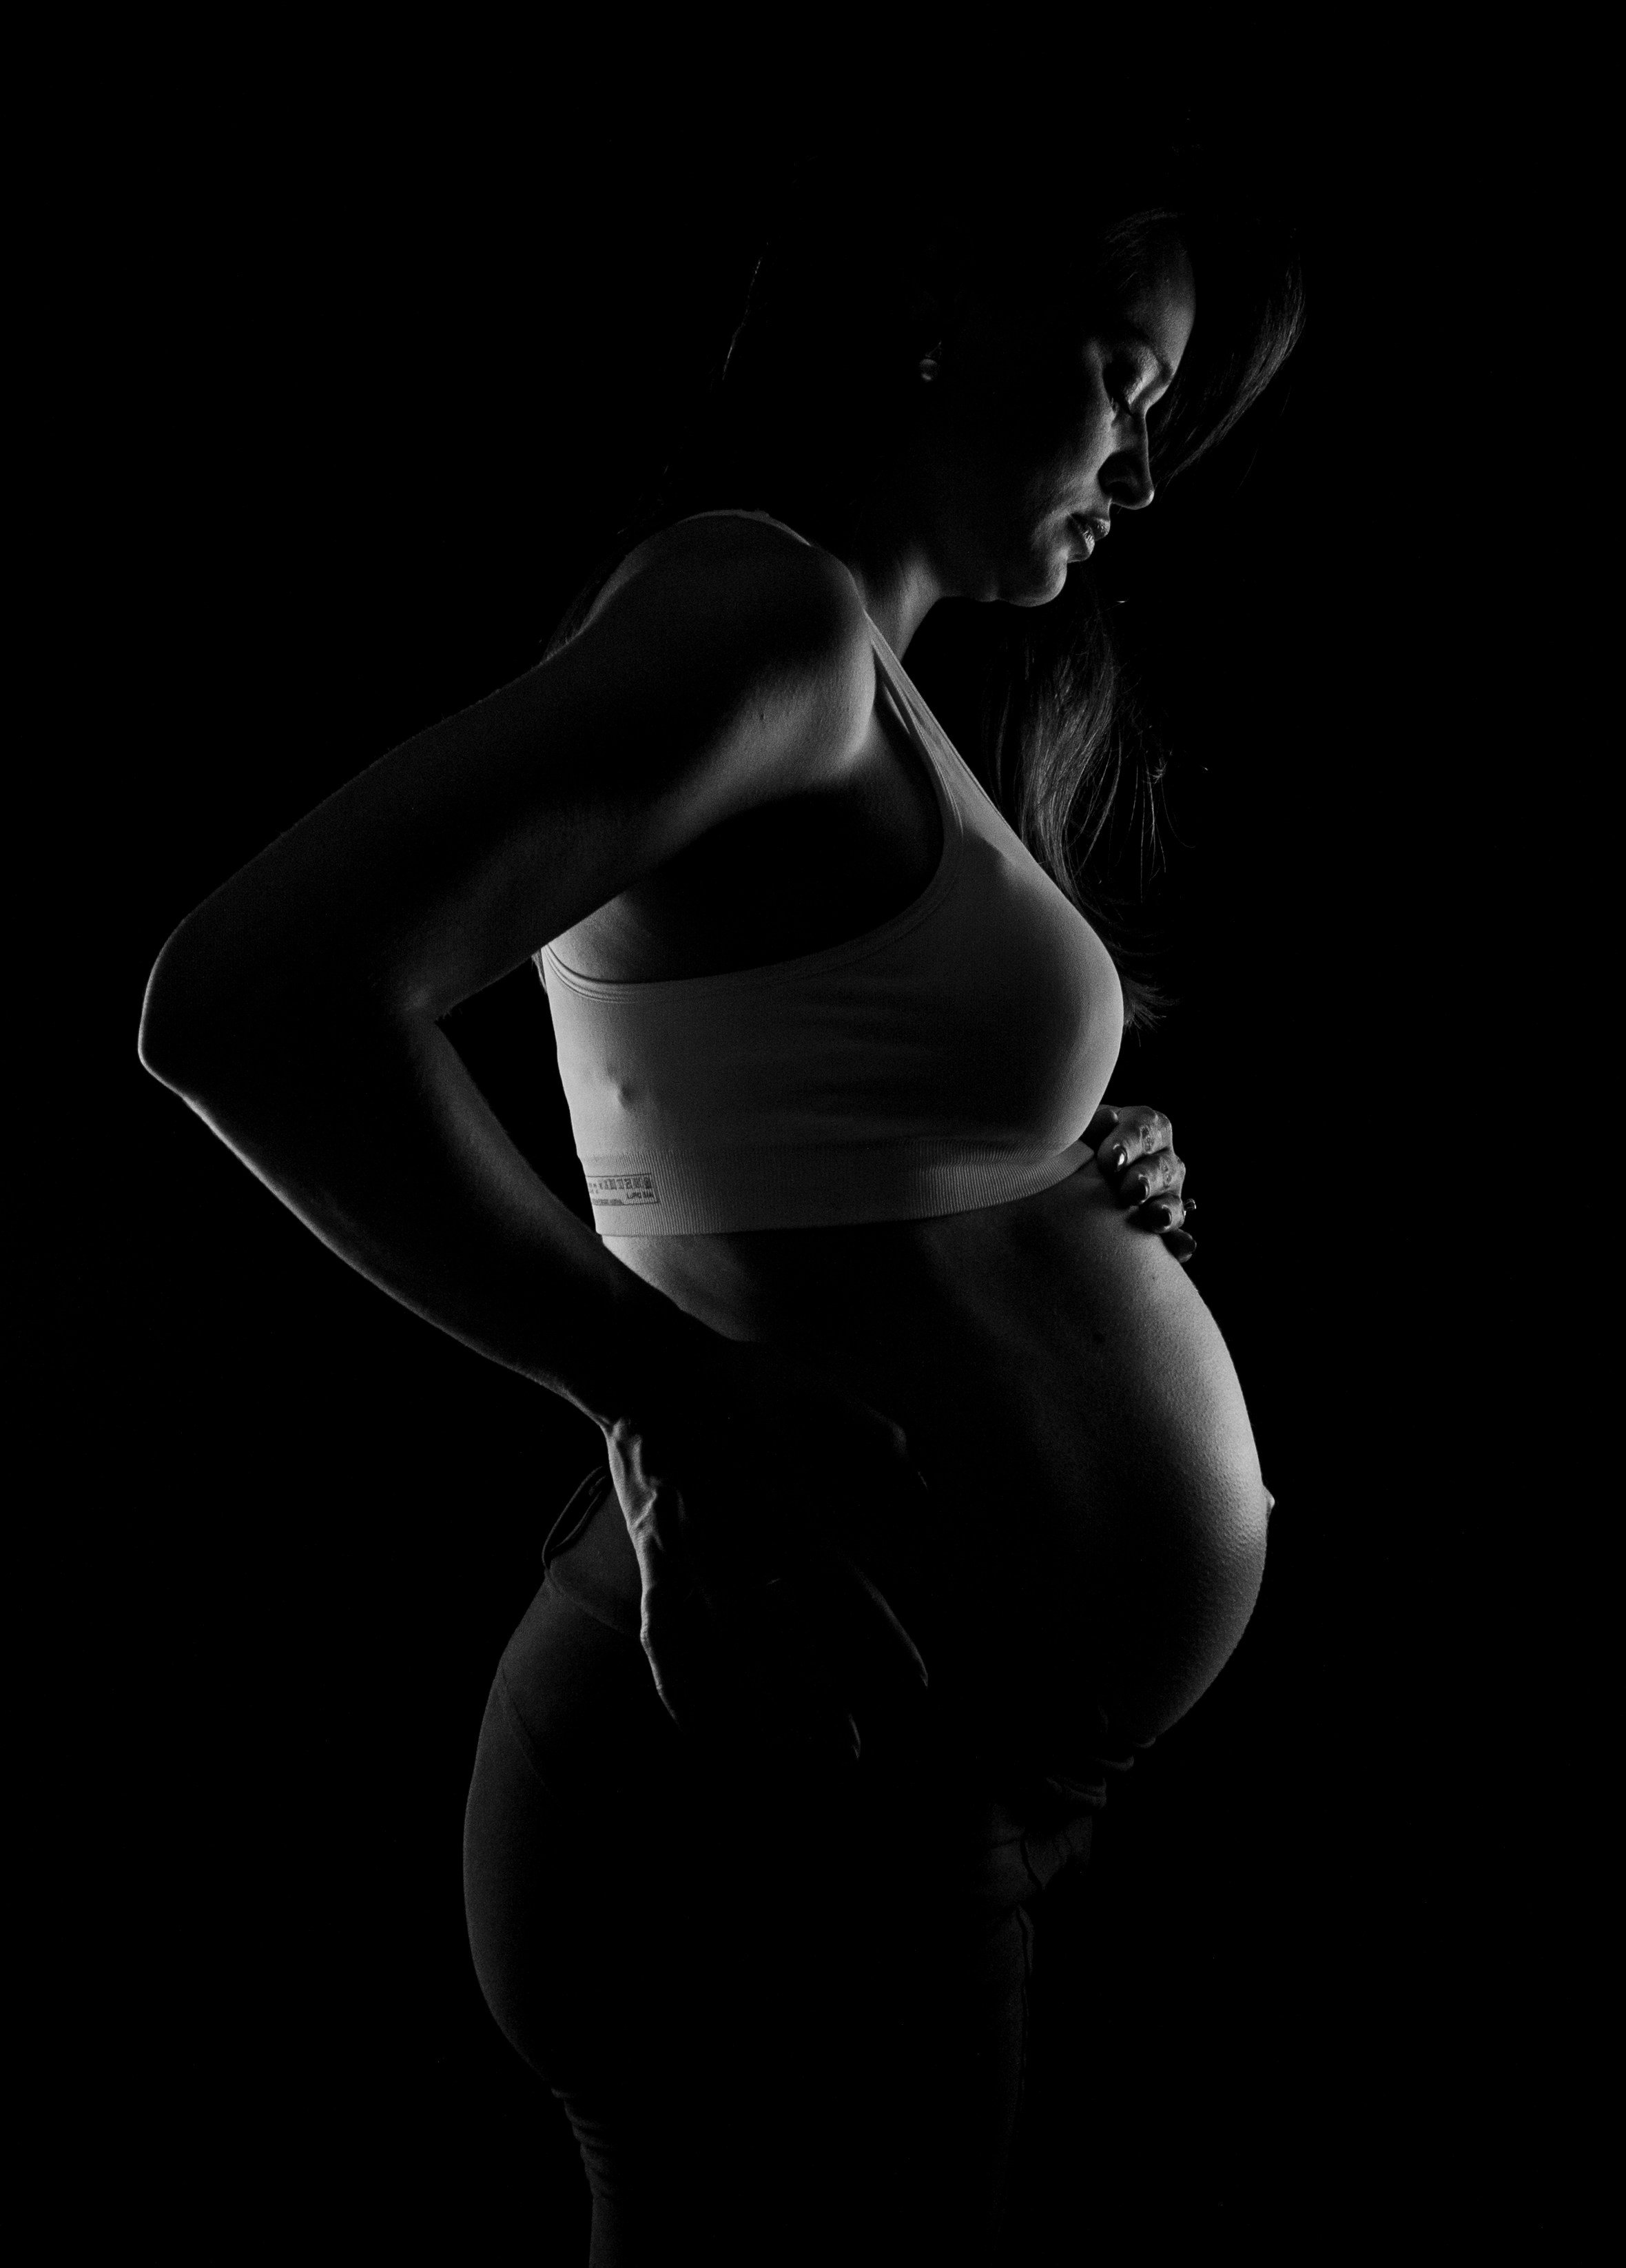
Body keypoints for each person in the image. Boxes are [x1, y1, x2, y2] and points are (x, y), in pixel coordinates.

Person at [138, 125, 1304, 2264]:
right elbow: (246, 999)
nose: (1143, 471)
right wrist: (653, 1390)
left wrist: (1064, 1153)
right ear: (944, 307)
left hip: (908, 1760)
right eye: (1120, 384)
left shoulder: (857, 666)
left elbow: (782, 1118)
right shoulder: (756, 610)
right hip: (779, 1767)